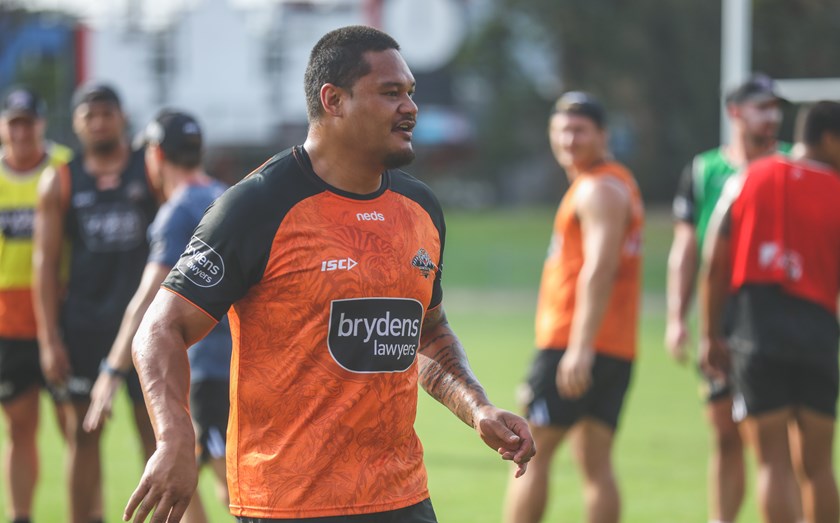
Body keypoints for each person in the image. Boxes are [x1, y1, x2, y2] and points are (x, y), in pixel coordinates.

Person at [123, 25, 535, 523]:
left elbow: (427, 333)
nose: (410, 107)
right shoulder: (257, 205)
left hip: (402, 498)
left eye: (410, 93)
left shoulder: (420, 208)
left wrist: (479, 408)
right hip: (288, 505)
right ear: (333, 100)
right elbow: (159, 328)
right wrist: (173, 436)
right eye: (390, 93)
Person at [82, 109, 232, 523]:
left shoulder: (177, 211)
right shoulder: (230, 196)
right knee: (179, 490)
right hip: (240, 363)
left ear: (156, 155)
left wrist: (111, 371)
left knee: (231, 492)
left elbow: (147, 301)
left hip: (204, 373)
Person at [504, 92, 644, 523]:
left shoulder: (599, 188)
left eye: (580, 129)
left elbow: (599, 269)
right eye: (561, 129)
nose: (569, 138)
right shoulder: (615, 183)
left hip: (574, 342)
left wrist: (579, 348)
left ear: (603, 135)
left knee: (530, 454)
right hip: (615, 344)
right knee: (595, 462)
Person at [699, 100, 840, 523]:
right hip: (817, 330)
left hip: (755, 330)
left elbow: (715, 262)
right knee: (817, 467)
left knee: (772, 463)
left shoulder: (748, 177)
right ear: (831, 139)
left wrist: (710, 333)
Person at [665, 73, 790, 523]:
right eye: (761, 106)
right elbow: (686, 250)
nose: (772, 115)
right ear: (735, 112)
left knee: (780, 439)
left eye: (775, 107)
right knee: (724, 433)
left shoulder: (793, 165)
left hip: (779, 313)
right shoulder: (705, 170)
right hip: (722, 314)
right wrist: (677, 317)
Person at [32, 82, 158, 523]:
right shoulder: (61, 179)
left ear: (122, 118)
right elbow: (44, 265)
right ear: (78, 123)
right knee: (82, 438)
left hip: (146, 328)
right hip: (83, 328)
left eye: (107, 113)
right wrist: (49, 341)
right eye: (90, 115)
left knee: (155, 436)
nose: (100, 122)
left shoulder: (150, 169)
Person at [0, 87, 72, 523]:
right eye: (14, 122)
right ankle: (21, 515)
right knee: (18, 426)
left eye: (29, 122)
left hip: (63, 316)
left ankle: (84, 512)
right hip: (9, 322)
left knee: (75, 429)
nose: (22, 131)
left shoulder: (64, 167)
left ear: (41, 125)